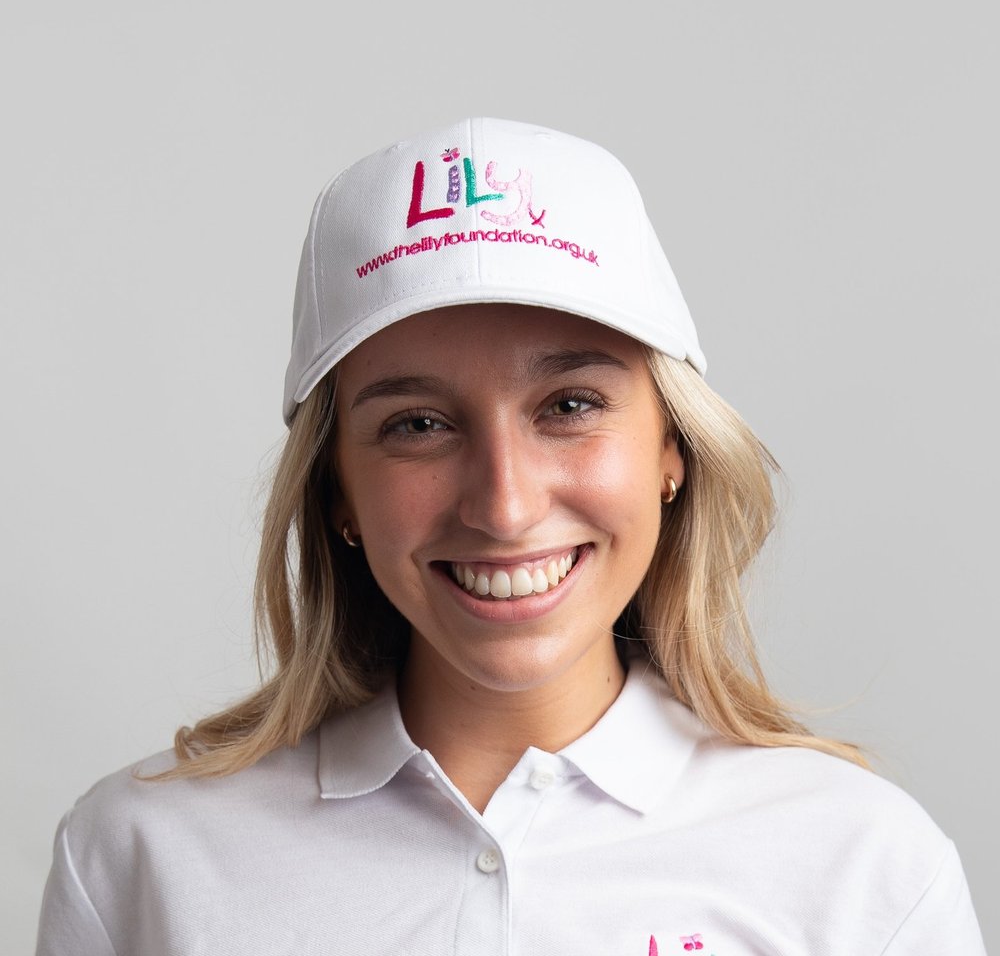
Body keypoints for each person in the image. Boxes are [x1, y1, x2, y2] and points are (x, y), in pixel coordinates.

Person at [36, 118, 985, 955]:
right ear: (337, 492)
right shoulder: (139, 859)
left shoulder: (862, 868)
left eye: (570, 405)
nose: (505, 505)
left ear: (673, 450)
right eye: (417, 424)